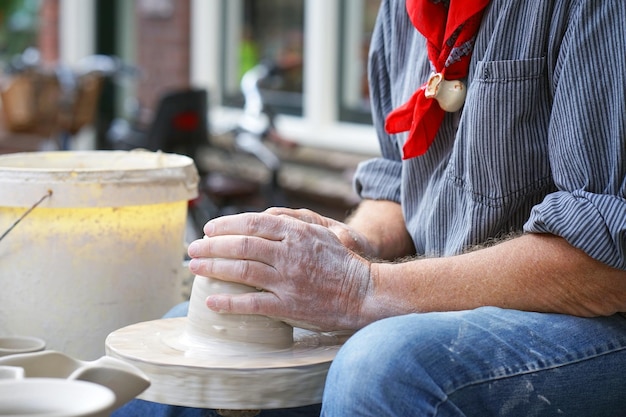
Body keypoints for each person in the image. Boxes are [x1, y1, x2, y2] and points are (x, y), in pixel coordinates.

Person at [115, 0, 626, 415]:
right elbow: (401, 183)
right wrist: (349, 245)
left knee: (385, 365)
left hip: (598, 319)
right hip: (442, 300)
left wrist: (361, 288)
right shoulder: (404, 12)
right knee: (192, 327)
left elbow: (607, 263)